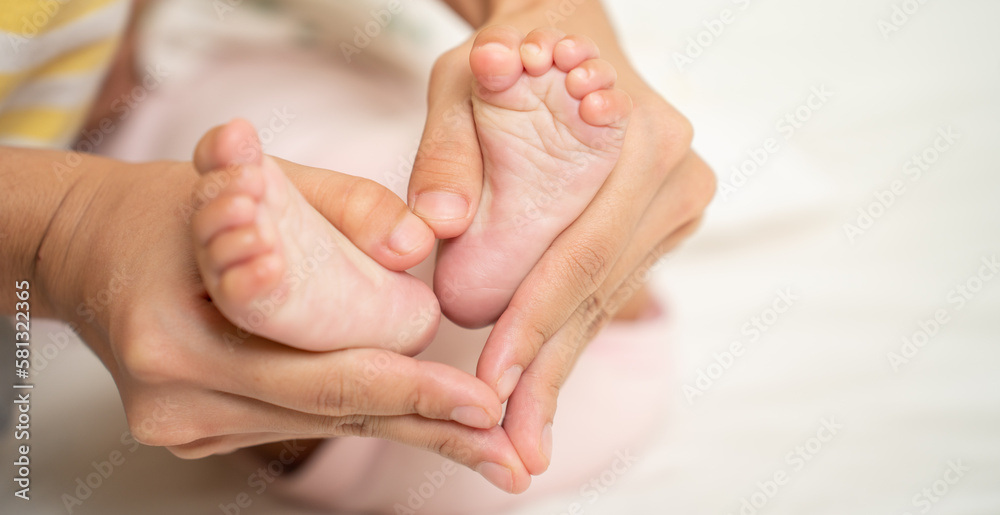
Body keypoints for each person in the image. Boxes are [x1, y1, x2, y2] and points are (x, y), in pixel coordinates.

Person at [0, 0, 715, 500]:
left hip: (163, 77)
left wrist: (540, 5)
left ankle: (389, 262)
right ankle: (319, 295)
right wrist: (58, 227)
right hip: (76, 168)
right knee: (261, 361)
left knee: (340, 166)